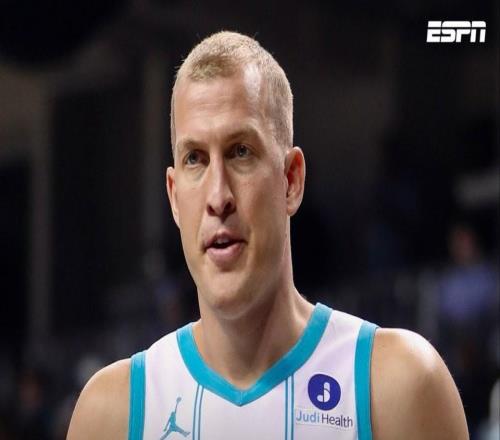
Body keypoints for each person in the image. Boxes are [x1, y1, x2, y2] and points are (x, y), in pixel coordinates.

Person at [67, 31, 468, 439]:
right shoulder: (111, 415)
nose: (218, 197)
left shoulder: (397, 387)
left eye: (240, 151)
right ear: (173, 196)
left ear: (291, 180)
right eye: (195, 159)